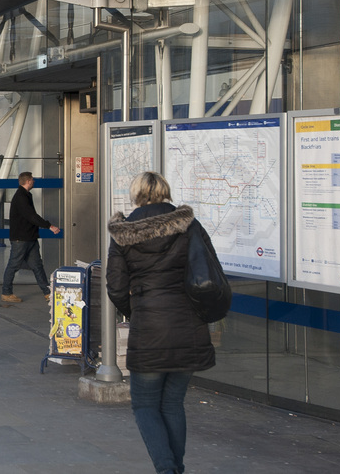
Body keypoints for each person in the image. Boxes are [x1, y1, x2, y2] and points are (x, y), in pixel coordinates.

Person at [107, 171, 217, 474]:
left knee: (144, 405)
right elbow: (207, 271)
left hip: (149, 330)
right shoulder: (189, 227)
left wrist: (137, 310)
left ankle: (167, 469)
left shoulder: (123, 233)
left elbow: (115, 287)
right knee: (172, 404)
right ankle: (175, 468)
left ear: (136, 195)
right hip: (189, 327)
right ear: (165, 192)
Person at [1, 171, 60, 303]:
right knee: (13, 265)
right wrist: (49, 226)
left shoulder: (26, 195)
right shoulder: (21, 197)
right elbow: (31, 216)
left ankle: (47, 292)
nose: (34, 181)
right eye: (32, 180)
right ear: (28, 181)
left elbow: (31, 216)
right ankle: (6, 292)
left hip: (29, 237)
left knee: (37, 265)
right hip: (21, 239)